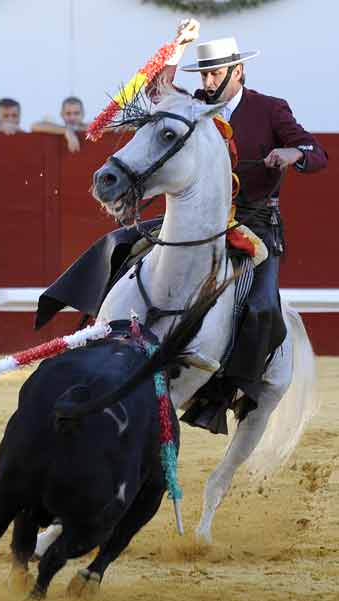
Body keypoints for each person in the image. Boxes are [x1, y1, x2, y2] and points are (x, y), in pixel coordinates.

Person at [34, 29, 328, 434]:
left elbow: (316, 152)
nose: (207, 83)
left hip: (254, 223)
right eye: (204, 75)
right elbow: (159, 89)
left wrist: (291, 153)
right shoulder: (192, 106)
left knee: (260, 305)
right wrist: (179, 46)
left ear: (237, 72)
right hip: (199, 217)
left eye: (215, 74)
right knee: (119, 245)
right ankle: (92, 330)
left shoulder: (270, 109)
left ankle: (227, 393)